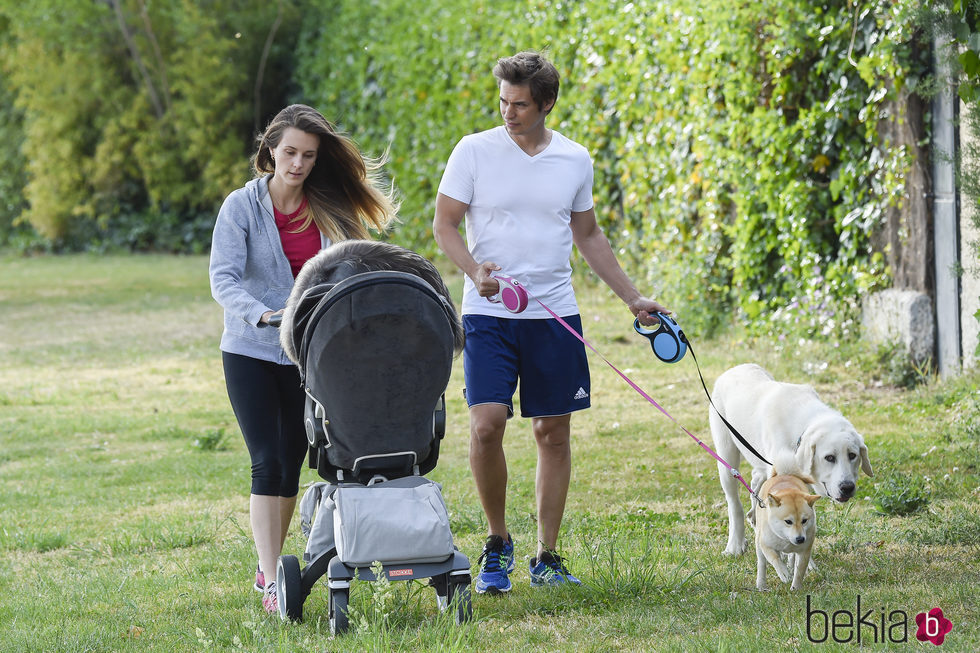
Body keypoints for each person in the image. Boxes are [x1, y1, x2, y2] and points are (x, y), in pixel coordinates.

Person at [432, 51, 669, 594]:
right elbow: (444, 225)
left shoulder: (574, 159)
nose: (508, 112)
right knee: (487, 422)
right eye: (503, 102)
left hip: (555, 314)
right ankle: (497, 543)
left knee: (552, 432)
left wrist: (633, 298)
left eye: (519, 104)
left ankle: (547, 555)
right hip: (489, 310)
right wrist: (474, 269)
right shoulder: (473, 151)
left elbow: (588, 235)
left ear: (546, 104)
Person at [209, 104, 396, 614]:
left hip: (308, 354)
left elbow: (351, 268)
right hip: (250, 349)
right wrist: (264, 314)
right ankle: (272, 576)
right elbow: (222, 278)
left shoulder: (329, 208)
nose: (297, 163)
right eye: (289, 152)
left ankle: (268, 565)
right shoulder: (241, 207)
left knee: (292, 460)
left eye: (308, 156)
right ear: (270, 149)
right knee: (266, 460)